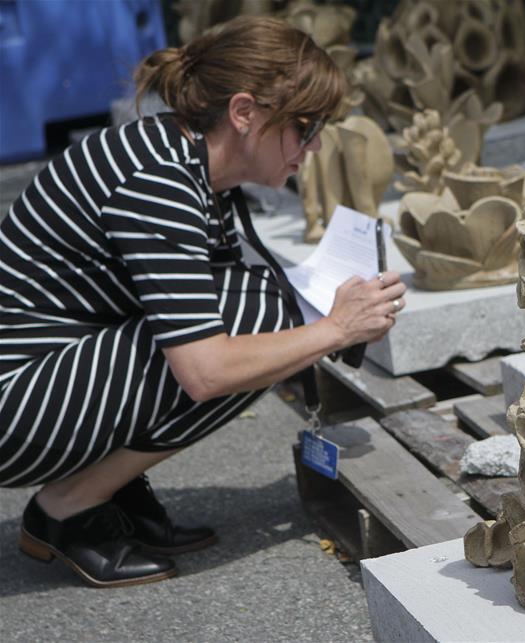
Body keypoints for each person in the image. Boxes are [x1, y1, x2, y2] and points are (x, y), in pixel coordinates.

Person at [0, 16, 406, 588]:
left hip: (50, 371)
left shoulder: (182, 157)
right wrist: (336, 329)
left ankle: (109, 488)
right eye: (306, 127)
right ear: (245, 114)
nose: (313, 148)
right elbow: (205, 371)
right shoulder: (157, 179)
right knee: (263, 316)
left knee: (265, 305)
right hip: (16, 401)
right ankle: (68, 509)